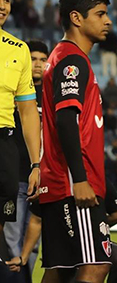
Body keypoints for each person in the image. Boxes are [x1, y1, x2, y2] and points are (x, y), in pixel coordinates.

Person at [38, 0, 113, 282]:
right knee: (96, 265)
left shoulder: (61, 56)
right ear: (76, 18)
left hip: (62, 181)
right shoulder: (72, 60)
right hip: (73, 184)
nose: (108, 21)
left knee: (60, 270)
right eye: (100, 14)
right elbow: (66, 119)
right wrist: (80, 180)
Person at [7, 180, 117, 283]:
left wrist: (95, 230)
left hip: (91, 244)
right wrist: (24, 256)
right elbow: (36, 220)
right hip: (59, 248)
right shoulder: (48, 183)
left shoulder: (98, 180)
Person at [0, 0, 41, 267]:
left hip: (5, 143)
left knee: (1, 223)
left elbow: (27, 111)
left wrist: (36, 163)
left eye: (6, 0)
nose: (2, 6)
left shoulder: (18, 49)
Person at [3, 40, 48, 283]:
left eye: (43, 59)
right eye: (33, 59)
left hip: (43, 179)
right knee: (12, 242)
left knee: (32, 246)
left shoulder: (52, 94)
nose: (38, 64)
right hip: (15, 176)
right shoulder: (13, 93)